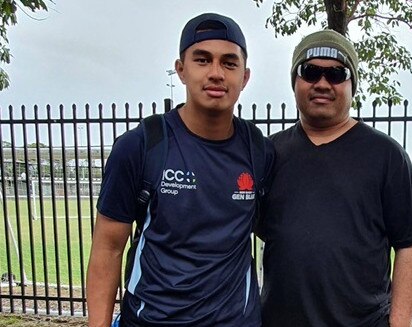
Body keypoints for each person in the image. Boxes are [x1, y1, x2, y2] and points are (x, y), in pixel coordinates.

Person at [87, 13, 273, 327]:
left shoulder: (260, 151)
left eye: (229, 63)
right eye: (202, 60)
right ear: (181, 70)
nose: (216, 73)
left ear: (245, 76)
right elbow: (108, 247)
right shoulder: (140, 146)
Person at [257, 30, 412, 327]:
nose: (322, 83)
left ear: (352, 85)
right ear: (295, 81)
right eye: (310, 72)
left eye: (337, 74)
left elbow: (411, 244)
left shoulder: (386, 155)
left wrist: (401, 322)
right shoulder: (268, 154)